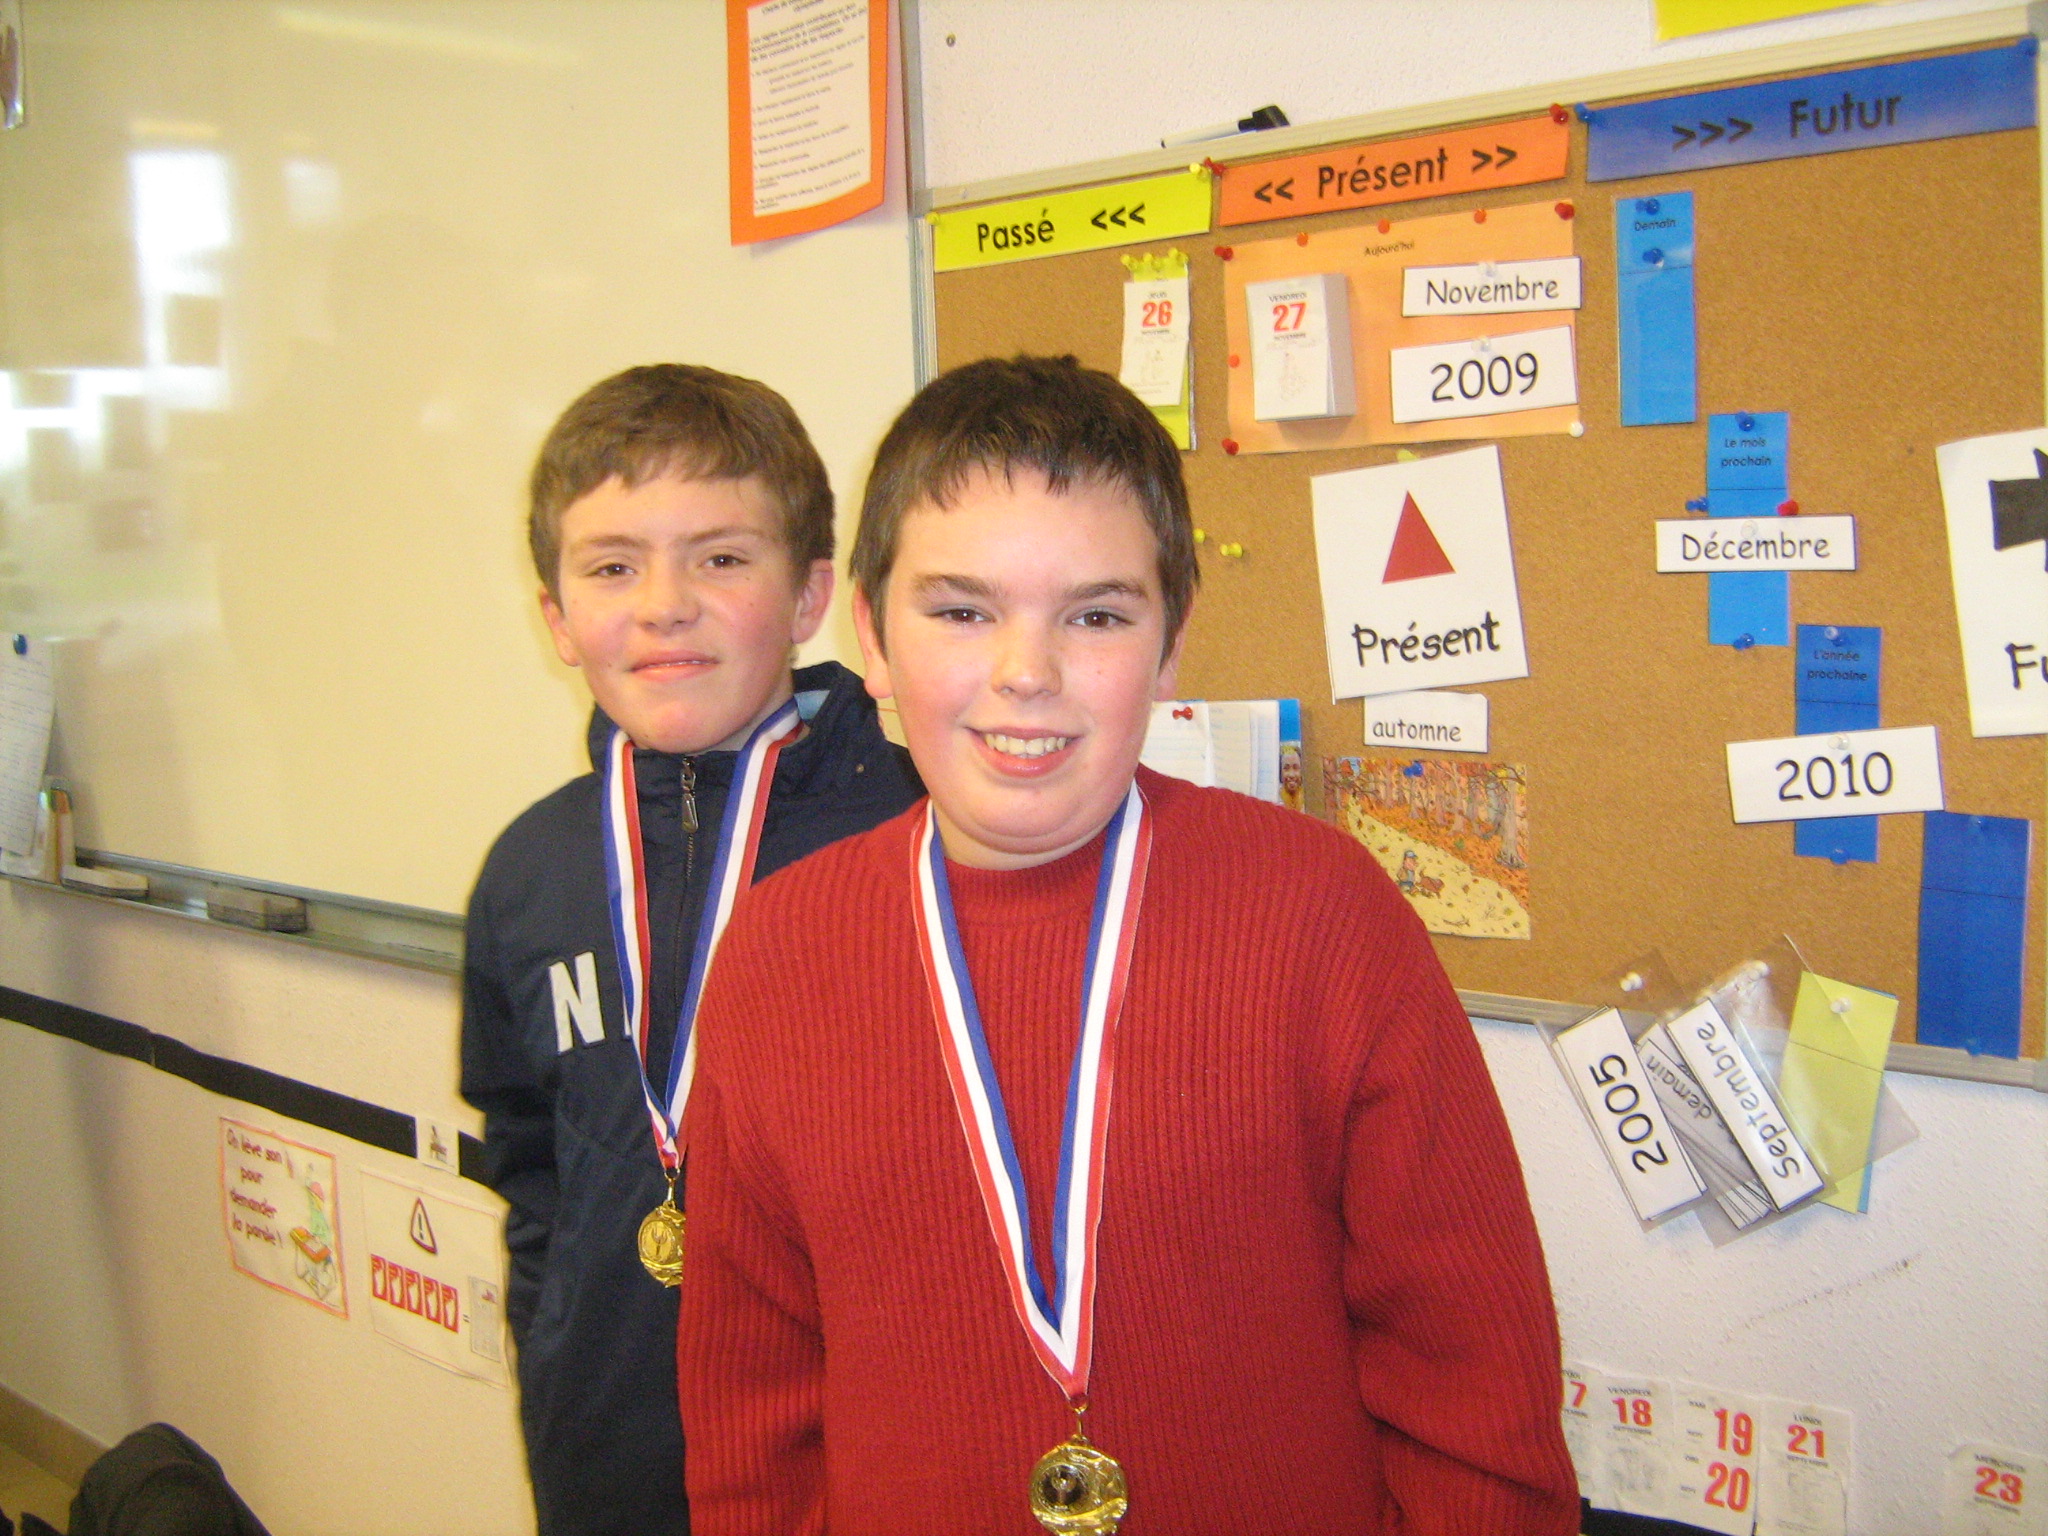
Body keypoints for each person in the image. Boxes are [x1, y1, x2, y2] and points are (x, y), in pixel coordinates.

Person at [677, 355, 1578, 1534]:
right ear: (872, 639)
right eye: (960, 611)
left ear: (1169, 645)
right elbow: (752, 1424)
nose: (1026, 674)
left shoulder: (1320, 916)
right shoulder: (778, 954)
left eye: (1096, 615)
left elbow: (1474, 1389)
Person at [461, 365, 921, 1536]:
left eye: (719, 557)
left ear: (809, 593)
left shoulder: (916, 834)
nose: (664, 606)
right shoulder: (528, 873)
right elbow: (531, 1175)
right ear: (556, 619)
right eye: (611, 567)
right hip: (609, 1462)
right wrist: (555, 1378)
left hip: (862, 1457)